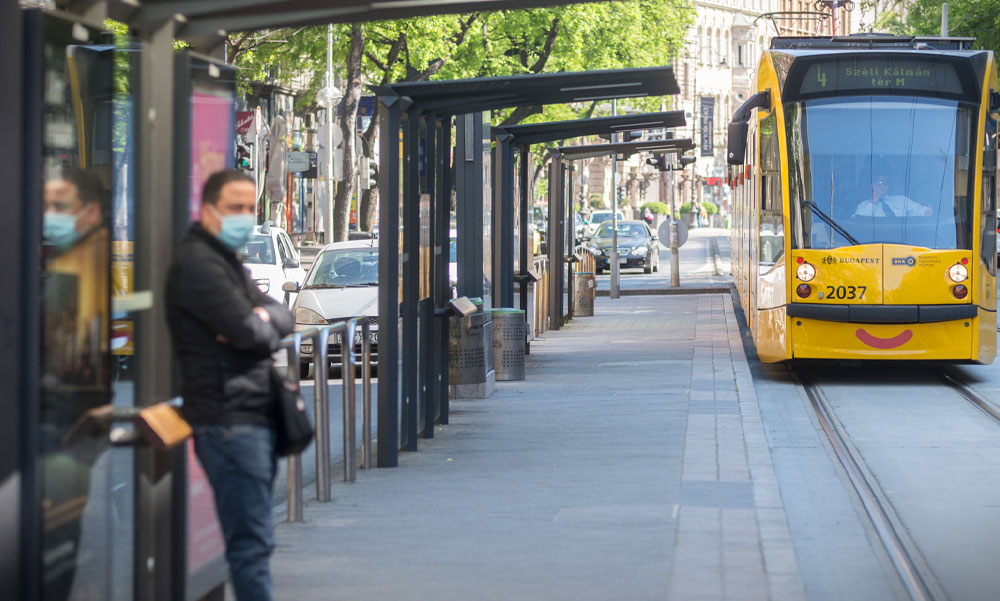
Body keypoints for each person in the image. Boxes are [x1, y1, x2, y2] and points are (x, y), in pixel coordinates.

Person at [165, 170, 293, 601]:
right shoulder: (199, 265)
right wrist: (258, 322)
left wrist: (262, 318)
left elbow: (282, 316)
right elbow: (251, 333)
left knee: (255, 540)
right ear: (208, 212)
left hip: (246, 417)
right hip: (228, 420)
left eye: (249, 208)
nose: (244, 216)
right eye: (234, 207)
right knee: (251, 545)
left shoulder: (224, 261)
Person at [853, 174, 932, 217]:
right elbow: (860, 221)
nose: (883, 186)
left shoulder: (900, 199)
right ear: (873, 185)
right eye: (879, 183)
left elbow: (915, 209)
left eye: (885, 183)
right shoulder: (863, 205)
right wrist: (872, 202)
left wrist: (924, 211)